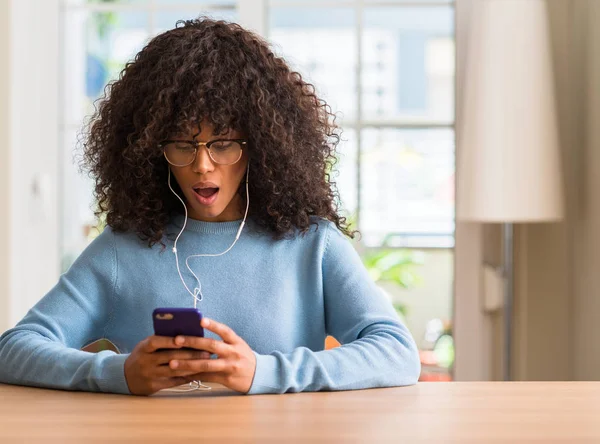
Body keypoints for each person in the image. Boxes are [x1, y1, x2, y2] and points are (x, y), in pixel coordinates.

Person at [0, 18, 420, 396]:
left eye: (223, 144)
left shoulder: (313, 245)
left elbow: (397, 352)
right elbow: (14, 349)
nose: (202, 165)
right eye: (183, 144)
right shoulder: (120, 250)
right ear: (150, 148)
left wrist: (264, 372)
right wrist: (119, 373)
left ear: (261, 146)